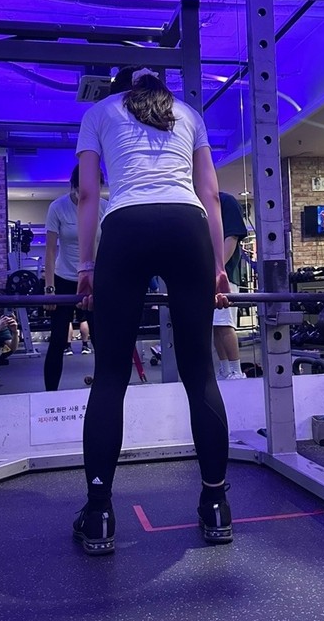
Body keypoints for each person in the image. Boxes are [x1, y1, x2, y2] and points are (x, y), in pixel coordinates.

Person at [72, 66, 232, 555]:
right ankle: (216, 505)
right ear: (161, 86)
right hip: (188, 226)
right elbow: (210, 193)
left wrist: (86, 265)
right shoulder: (189, 113)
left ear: (119, 86)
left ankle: (98, 515)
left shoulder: (99, 112)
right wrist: (218, 267)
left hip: (127, 227)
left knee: (110, 375)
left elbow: (89, 194)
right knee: (199, 373)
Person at [43, 165, 107, 391]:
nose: (87, 195)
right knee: (58, 338)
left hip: (94, 280)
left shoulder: (104, 207)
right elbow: (50, 251)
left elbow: (109, 248)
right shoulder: (58, 207)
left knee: (100, 337)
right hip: (64, 279)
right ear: (74, 186)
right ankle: (50, 394)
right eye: (82, 189)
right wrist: (49, 288)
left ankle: (103, 389)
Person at [213, 191, 248, 379]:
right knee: (215, 326)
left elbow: (232, 238)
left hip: (224, 275)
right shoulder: (197, 201)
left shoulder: (226, 201)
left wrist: (218, 270)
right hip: (205, 275)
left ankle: (237, 371)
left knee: (224, 323)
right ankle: (225, 369)